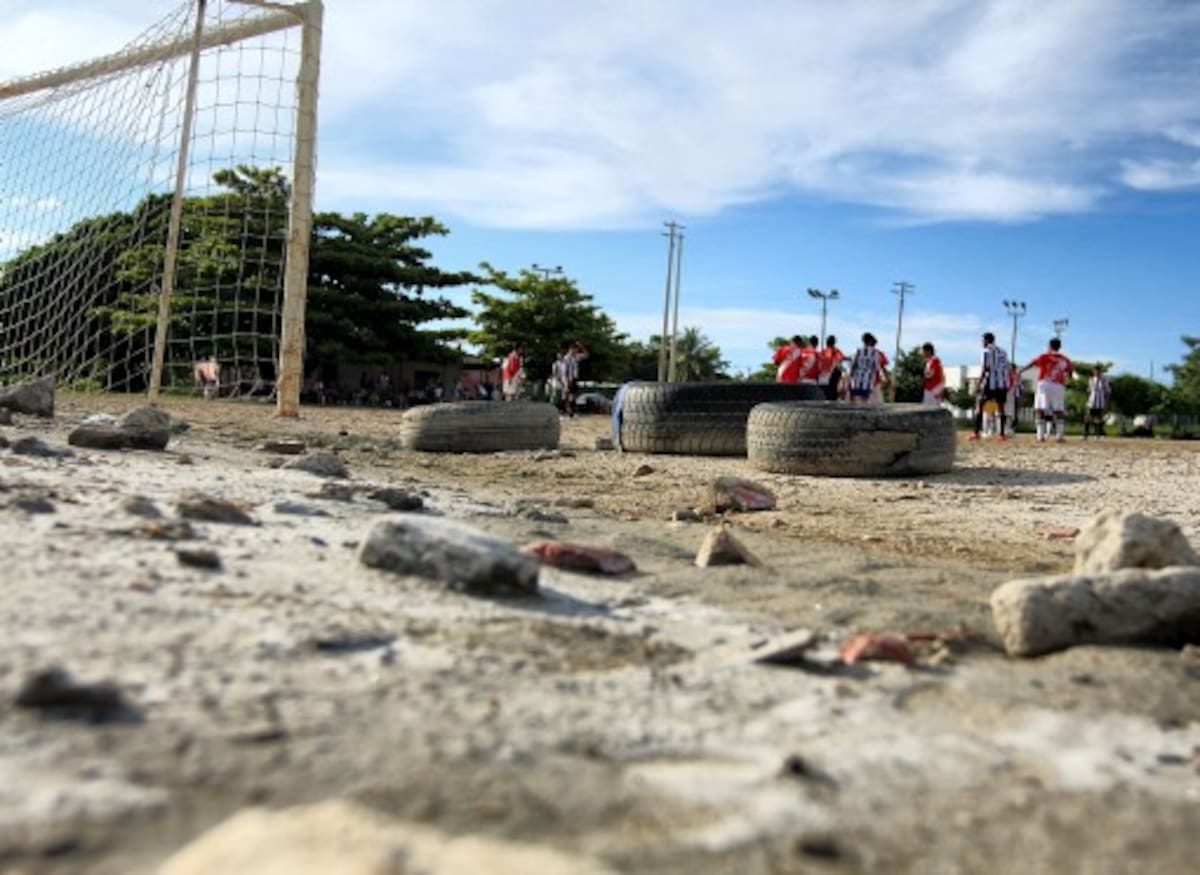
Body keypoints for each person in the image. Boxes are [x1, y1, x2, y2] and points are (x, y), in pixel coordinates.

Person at [1022, 337, 1073, 443]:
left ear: (1049, 346)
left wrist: (1021, 371)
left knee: (1040, 409)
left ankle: (1040, 436)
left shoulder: (1044, 356)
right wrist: (1068, 381)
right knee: (1059, 410)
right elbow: (1070, 371)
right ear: (1059, 347)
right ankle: (1059, 436)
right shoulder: (1064, 359)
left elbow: (1032, 363)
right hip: (1058, 385)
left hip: (1044, 384)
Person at [970, 332, 1009, 441]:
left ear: (987, 340)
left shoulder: (986, 351)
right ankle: (1001, 434)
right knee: (1001, 408)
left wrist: (979, 383)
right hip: (1002, 383)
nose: (982, 343)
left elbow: (985, 368)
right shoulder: (1003, 351)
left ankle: (976, 432)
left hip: (990, 383)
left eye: (982, 340)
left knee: (980, 405)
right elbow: (1006, 367)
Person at [847, 332, 889, 405]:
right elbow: (883, 368)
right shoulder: (878, 353)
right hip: (874, 383)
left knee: (859, 404)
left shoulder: (858, 352)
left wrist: (849, 380)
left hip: (858, 383)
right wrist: (888, 379)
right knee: (876, 406)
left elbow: (853, 367)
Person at [1084, 364, 1111, 440]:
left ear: (1100, 372)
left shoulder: (1104, 380)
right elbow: (1089, 391)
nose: (1096, 372)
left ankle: (1098, 435)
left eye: (1098, 371)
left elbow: (1108, 392)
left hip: (1100, 402)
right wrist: (1088, 400)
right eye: (1095, 371)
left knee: (1098, 419)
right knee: (1087, 418)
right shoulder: (1091, 380)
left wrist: (1106, 403)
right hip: (1091, 402)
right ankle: (1085, 435)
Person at [562, 341, 588, 416]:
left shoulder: (575, 357)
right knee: (569, 395)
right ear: (571, 349)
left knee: (573, 395)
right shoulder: (567, 358)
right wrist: (567, 380)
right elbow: (565, 370)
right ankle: (569, 411)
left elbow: (586, 355)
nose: (576, 351)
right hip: (569, 378)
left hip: (574, 378)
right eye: (575, 349)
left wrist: (581, 346)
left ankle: (570, 411)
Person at [819, 335, 846, 401]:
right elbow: (839, 362)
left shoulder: (823, 352)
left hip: (822, 378)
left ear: (826, 342)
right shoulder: (836, 351)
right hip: (831, 378)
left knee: (823, 396)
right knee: (832, 397)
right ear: (834, 343)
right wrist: (844, 371)